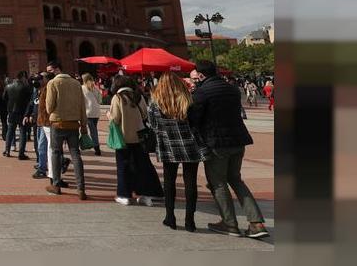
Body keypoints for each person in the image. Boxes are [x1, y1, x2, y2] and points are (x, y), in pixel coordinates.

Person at [189, 60, 269, 238]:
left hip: (217, 143)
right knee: (236, 179)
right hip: (238, 140)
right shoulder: (232, 88)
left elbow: (195, 117)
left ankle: (229, 223)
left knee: (218, 183)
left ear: (201, 75)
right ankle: (256, 223)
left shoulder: (202, 92)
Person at [148, 71, 208, 232]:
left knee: (169, 182)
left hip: (168, 144)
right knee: (191, 182)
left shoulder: (155, 102)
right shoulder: (188, 99)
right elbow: (196, 121)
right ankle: (190, 221)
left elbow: (153, 125)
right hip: (190, 144)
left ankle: (170, 217)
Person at [108, 75, 163, 207]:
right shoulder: (139, 96)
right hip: (140, 137)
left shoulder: (118, 97)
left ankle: (124, 195)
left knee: (123, 166)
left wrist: (108, 115)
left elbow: (115, 118)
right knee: (142, 166)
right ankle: (146, 195)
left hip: (123, 138)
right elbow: (145, 114)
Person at [44, 66, 88, 200]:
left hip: (57, 123)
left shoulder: (53, 83)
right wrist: (84, 125)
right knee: (75, 154)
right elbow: (82, 105)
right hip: (74, 124)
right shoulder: (76, 84)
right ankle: (81, 189)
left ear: (56, 72)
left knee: (56, 153)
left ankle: (56, 185)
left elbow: (49, 106)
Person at [4, 72, 32, 157]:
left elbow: (4, 98)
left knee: (10, 131)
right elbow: (29, 100)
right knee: (22, 132)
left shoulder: (8, 86)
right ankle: (21, 153)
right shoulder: (26, 87)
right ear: (23, 77)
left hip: (11, 111)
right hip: (22, 112)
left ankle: (7, 150)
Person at [81, 74, 103, 156]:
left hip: (88, 112)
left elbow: (81, 101)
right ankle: (96, 147)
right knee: (94, 130)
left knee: (92, 131)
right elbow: (100, 100)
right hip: (96, 112)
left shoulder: (82, 88)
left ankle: (96, 148)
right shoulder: (96, 87)